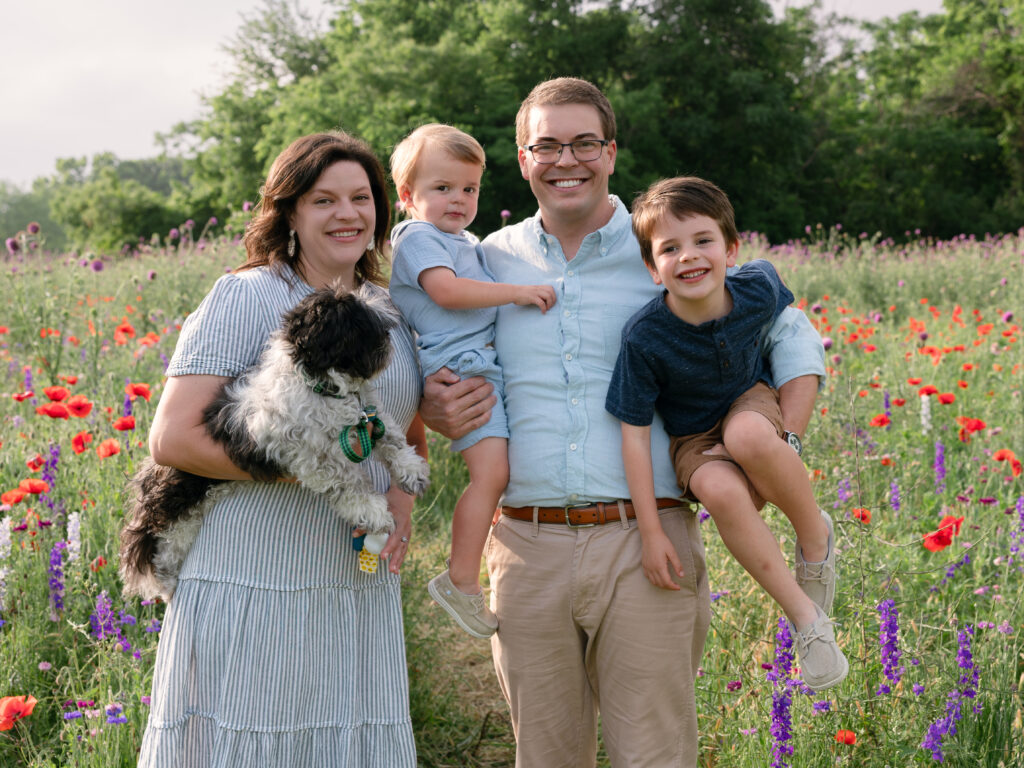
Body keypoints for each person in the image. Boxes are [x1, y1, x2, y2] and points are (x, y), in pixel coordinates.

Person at [419, 77, 827, 768]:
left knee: (655, 754)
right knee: (546, 757)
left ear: (610, 152)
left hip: (648, 542)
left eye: (584, 143)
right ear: (523, 159)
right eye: (546, 145)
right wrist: (430, 403)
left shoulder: (661, 251)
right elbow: (438, 349)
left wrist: (778, 442)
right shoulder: (485, 260)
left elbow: (786, 331)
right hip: (526, 544)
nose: (566, 160)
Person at [137, 132, 422, 767]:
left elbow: (401, 413)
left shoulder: (388, 309)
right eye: (324, 200)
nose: (347, 214)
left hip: (354, 578)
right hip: (257, 570)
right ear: (289, 212)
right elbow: (172, 438)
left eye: (361, 198)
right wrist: (311, 470)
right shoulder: (247, 295)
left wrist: (400, 498)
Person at [606, 176, 845, 692]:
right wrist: (651, 532)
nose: (689, 256)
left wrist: (784, 437)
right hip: (691, 436)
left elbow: (793, 335)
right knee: (717, 489)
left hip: (748, 402)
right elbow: (634, 436)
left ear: (731, 250)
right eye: (670, 248)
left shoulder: (757, 286)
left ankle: (814, 538)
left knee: (747, 437)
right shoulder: (644, 338)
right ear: (652, 268)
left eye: (703, 240)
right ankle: (806, 620)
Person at [389, 124, 555, 639]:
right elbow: (447, 292)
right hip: (460, 367)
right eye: (442, 188)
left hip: (479, 362)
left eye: (469, 188)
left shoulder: (461, 241)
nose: (459, 199)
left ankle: (474, 568)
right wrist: (518, 293)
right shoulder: (417, 238)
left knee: (500, 473)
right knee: (491, 475)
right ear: (407, 196)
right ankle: (460, 579)